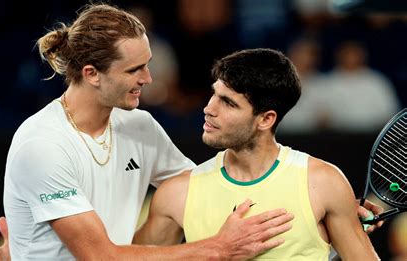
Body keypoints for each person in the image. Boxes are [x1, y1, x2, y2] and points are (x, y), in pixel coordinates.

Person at [0, 4, 385, 261]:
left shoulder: (139, 125)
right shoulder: (43, 145)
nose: (150, 78)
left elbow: (212, 186)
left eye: (148, 63)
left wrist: (336, 209)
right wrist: (219, 249)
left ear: (267, 117)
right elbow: (99, 255)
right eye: (135, 70)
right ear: (92, 74)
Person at [132, 48, 380, 260]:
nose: (209, 109)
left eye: (228, 103)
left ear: (266, 119)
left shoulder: (323, 183)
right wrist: (217, 250)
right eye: (214, 94)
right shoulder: (177, 194)